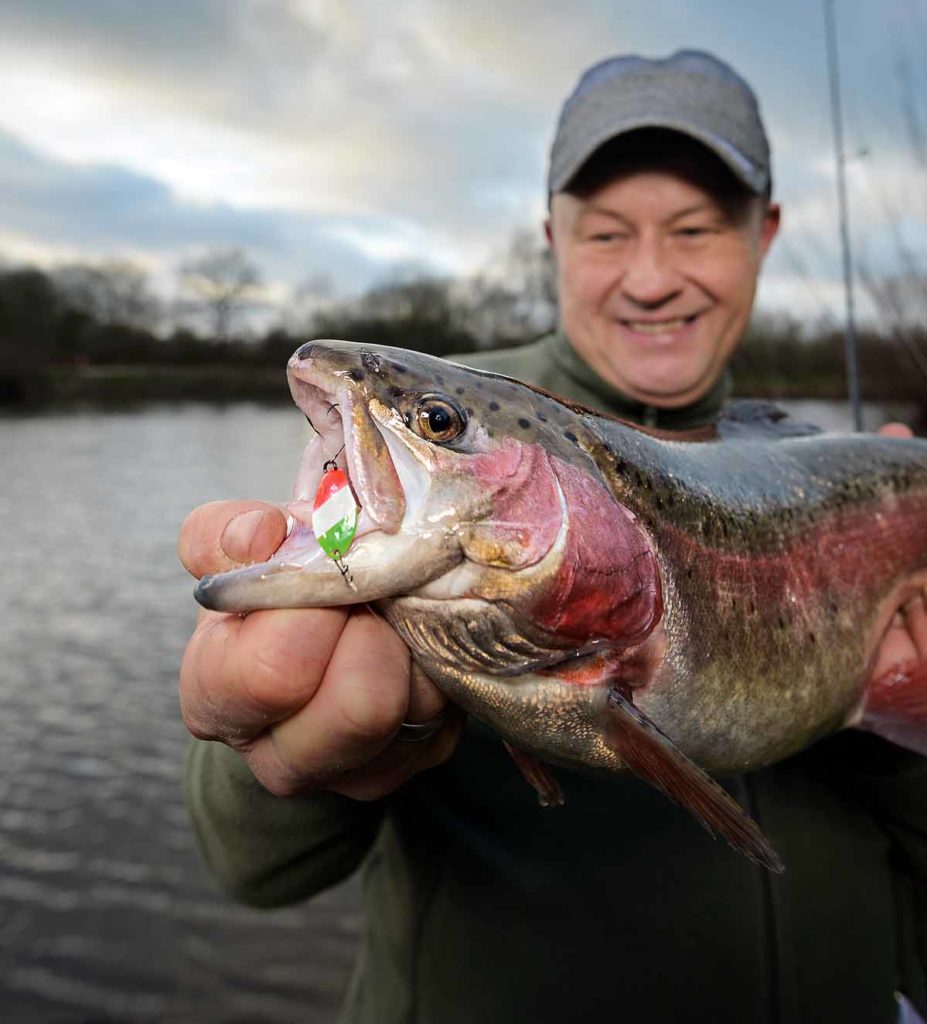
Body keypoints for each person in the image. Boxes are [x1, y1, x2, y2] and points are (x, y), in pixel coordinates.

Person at [178, 51, 927, 1023]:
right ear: (552, 238)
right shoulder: (457, 413)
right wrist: (275, 745)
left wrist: (892, 737)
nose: (652, 277)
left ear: (764, 235)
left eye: (696, 229)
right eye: (608, 231)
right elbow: (248, 867)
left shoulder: (830, 460)